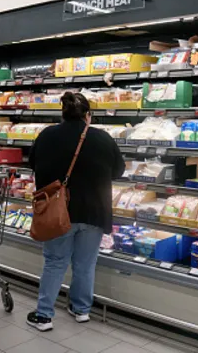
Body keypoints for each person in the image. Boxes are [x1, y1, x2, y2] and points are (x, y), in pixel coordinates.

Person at [26, 92, 124, 332]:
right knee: (85, 264)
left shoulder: (47, 135)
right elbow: (118, 171)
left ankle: (44, 316)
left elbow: (32, 164)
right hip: (94, 211)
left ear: (63, 113)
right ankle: (81, 310)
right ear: (88, 115)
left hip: (59, 211)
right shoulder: (102, 138)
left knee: (55, 262)